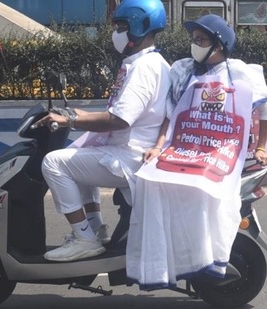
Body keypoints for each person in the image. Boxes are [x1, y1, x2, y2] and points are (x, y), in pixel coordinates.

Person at [126, 14, 267, 290]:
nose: (194, 45)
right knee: (149, 180)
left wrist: (260, 147)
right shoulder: (183, 70)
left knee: (203, 187)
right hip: (184, 149)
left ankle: (205, 258)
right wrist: (158, 146)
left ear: (218, 45)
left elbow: (266, 110)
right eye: (194, 40)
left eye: (201, 40)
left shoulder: (241, 72)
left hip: (220, 152)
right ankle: (159, 264)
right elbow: (169, 115)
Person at [32, 0, 171, 262]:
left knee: (53, 163)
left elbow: (119, 120)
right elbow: (120, 113)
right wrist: (72, 114)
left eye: (121, 26)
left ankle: (84, 239)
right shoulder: (147, 62)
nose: (115, 33)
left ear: (140, 27)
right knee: (79, 153)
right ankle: (95, 229)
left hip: (131, 156)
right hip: (128, 150)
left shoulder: (144, 68)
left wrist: (71, 120)